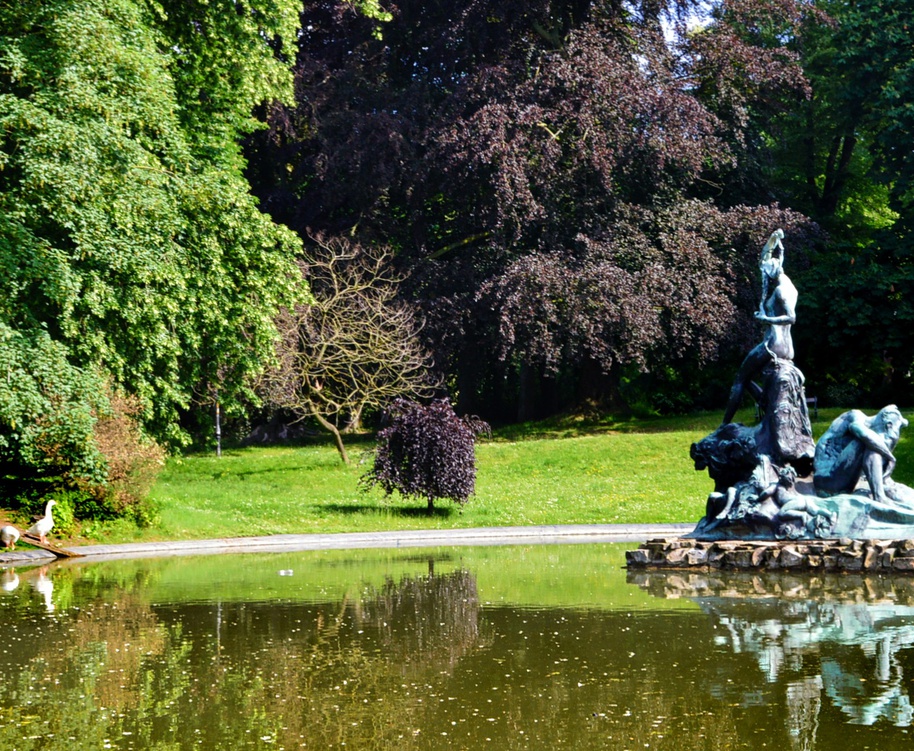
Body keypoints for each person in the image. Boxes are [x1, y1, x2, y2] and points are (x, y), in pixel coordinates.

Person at [722, 229, 798, 425]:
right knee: (747, 379)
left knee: (740, 379)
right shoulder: (791, 288)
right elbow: (767, 254)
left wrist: (765, 319)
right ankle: (767, 407)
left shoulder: (780, 291)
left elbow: (791, 317)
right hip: (787, 348)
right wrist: (774, 240)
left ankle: (724, 426)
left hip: (773, 344)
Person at [813, 405, 909, 505]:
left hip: (843, 481)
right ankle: (879, 497)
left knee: (875, 443)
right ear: (888, 425)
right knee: (871, 442)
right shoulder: (855, 416)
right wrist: (890, 457)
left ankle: (883, 484)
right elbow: (859, 430)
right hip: (826, 481)